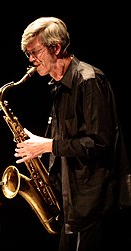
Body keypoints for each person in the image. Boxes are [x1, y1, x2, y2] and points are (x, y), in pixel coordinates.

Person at [13, 17, 131, 251]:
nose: (31, 61)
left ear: (56, 47)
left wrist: (48, 146)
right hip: (71, 205)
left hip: (94, 206)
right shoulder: (58, 87)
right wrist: (36, 146)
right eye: (28, 54)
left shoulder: (89, 80)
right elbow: (66, 140)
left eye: (34, 52)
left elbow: (100, 143)